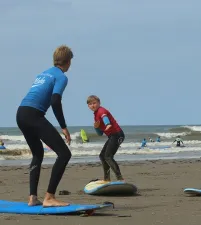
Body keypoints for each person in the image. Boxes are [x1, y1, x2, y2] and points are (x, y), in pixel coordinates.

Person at [16, 45, 73, 207]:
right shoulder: (61, 77)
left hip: (21, 113)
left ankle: (32, 198)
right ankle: (49, 197)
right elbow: (55, 100)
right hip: (34, 115)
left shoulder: (43, 73)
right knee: (64, 154)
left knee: (37, 154)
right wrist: (63, 126)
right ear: (68, 62)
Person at [87, 95, 125, 183]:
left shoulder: (101, 110)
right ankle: (107, 178)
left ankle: (120, 178)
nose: (93, 105)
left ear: (99, 103)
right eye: (90, 104)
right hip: (112, 136)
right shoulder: (96, 116)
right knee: (102, 156)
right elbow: (100, 134)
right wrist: (96, 127)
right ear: (88, 106)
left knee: (108, 156)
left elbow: (105, 118)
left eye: (94, 103)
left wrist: (108, 124)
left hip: (117, 134)